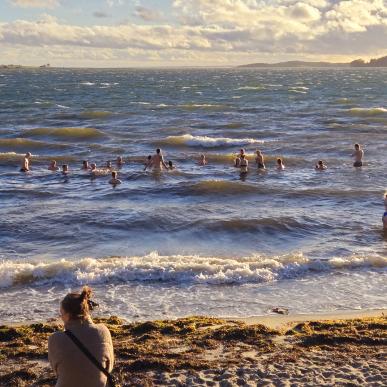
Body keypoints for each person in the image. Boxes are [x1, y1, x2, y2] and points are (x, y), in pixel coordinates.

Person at [48, 286, 114, 387]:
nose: (60, 317)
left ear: (68, 314)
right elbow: (109, 367)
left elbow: (57, 371)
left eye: (62, 313)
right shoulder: (103, 331)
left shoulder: (55, 339)